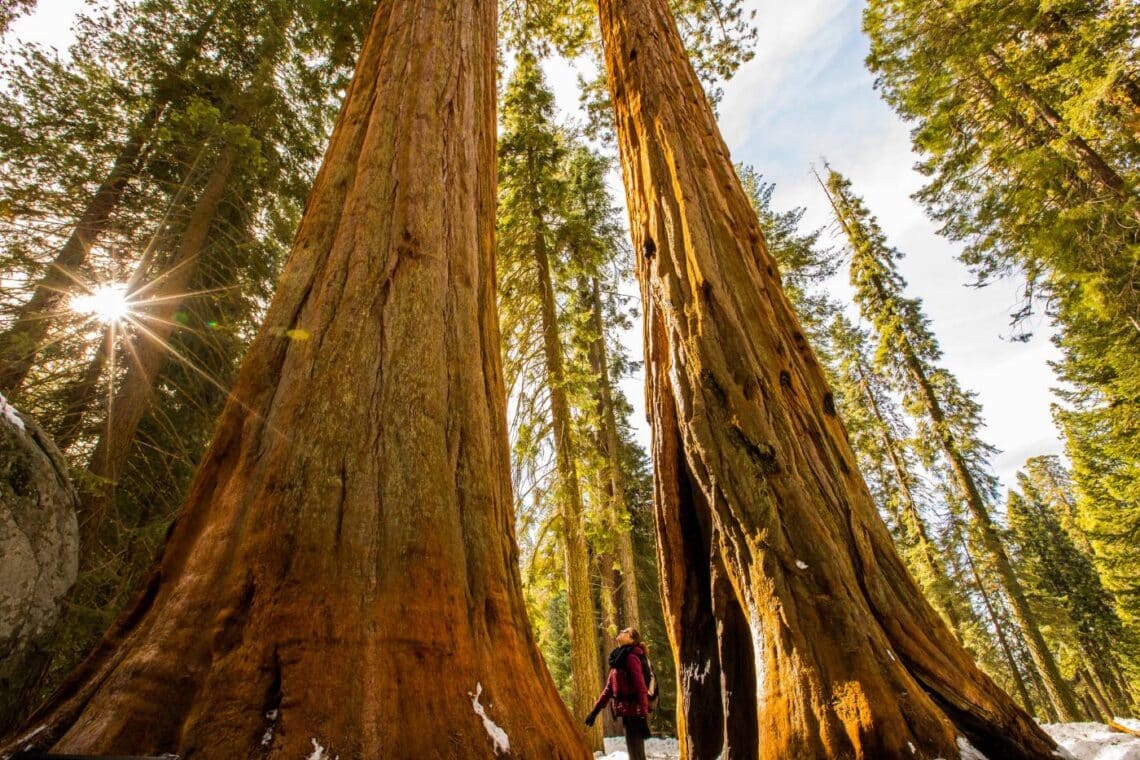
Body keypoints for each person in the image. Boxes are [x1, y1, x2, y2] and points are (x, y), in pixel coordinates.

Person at [585, 627, 654, 760]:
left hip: (635, 711)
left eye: (625, 632)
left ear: (632, 640)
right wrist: (594, 712)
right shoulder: (619, 659)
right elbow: (608, 690)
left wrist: (642, 715)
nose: (621, 632)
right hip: (627, 711)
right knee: (633, 749)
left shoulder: (631, 658)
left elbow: (640, 687)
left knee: (636, 750)